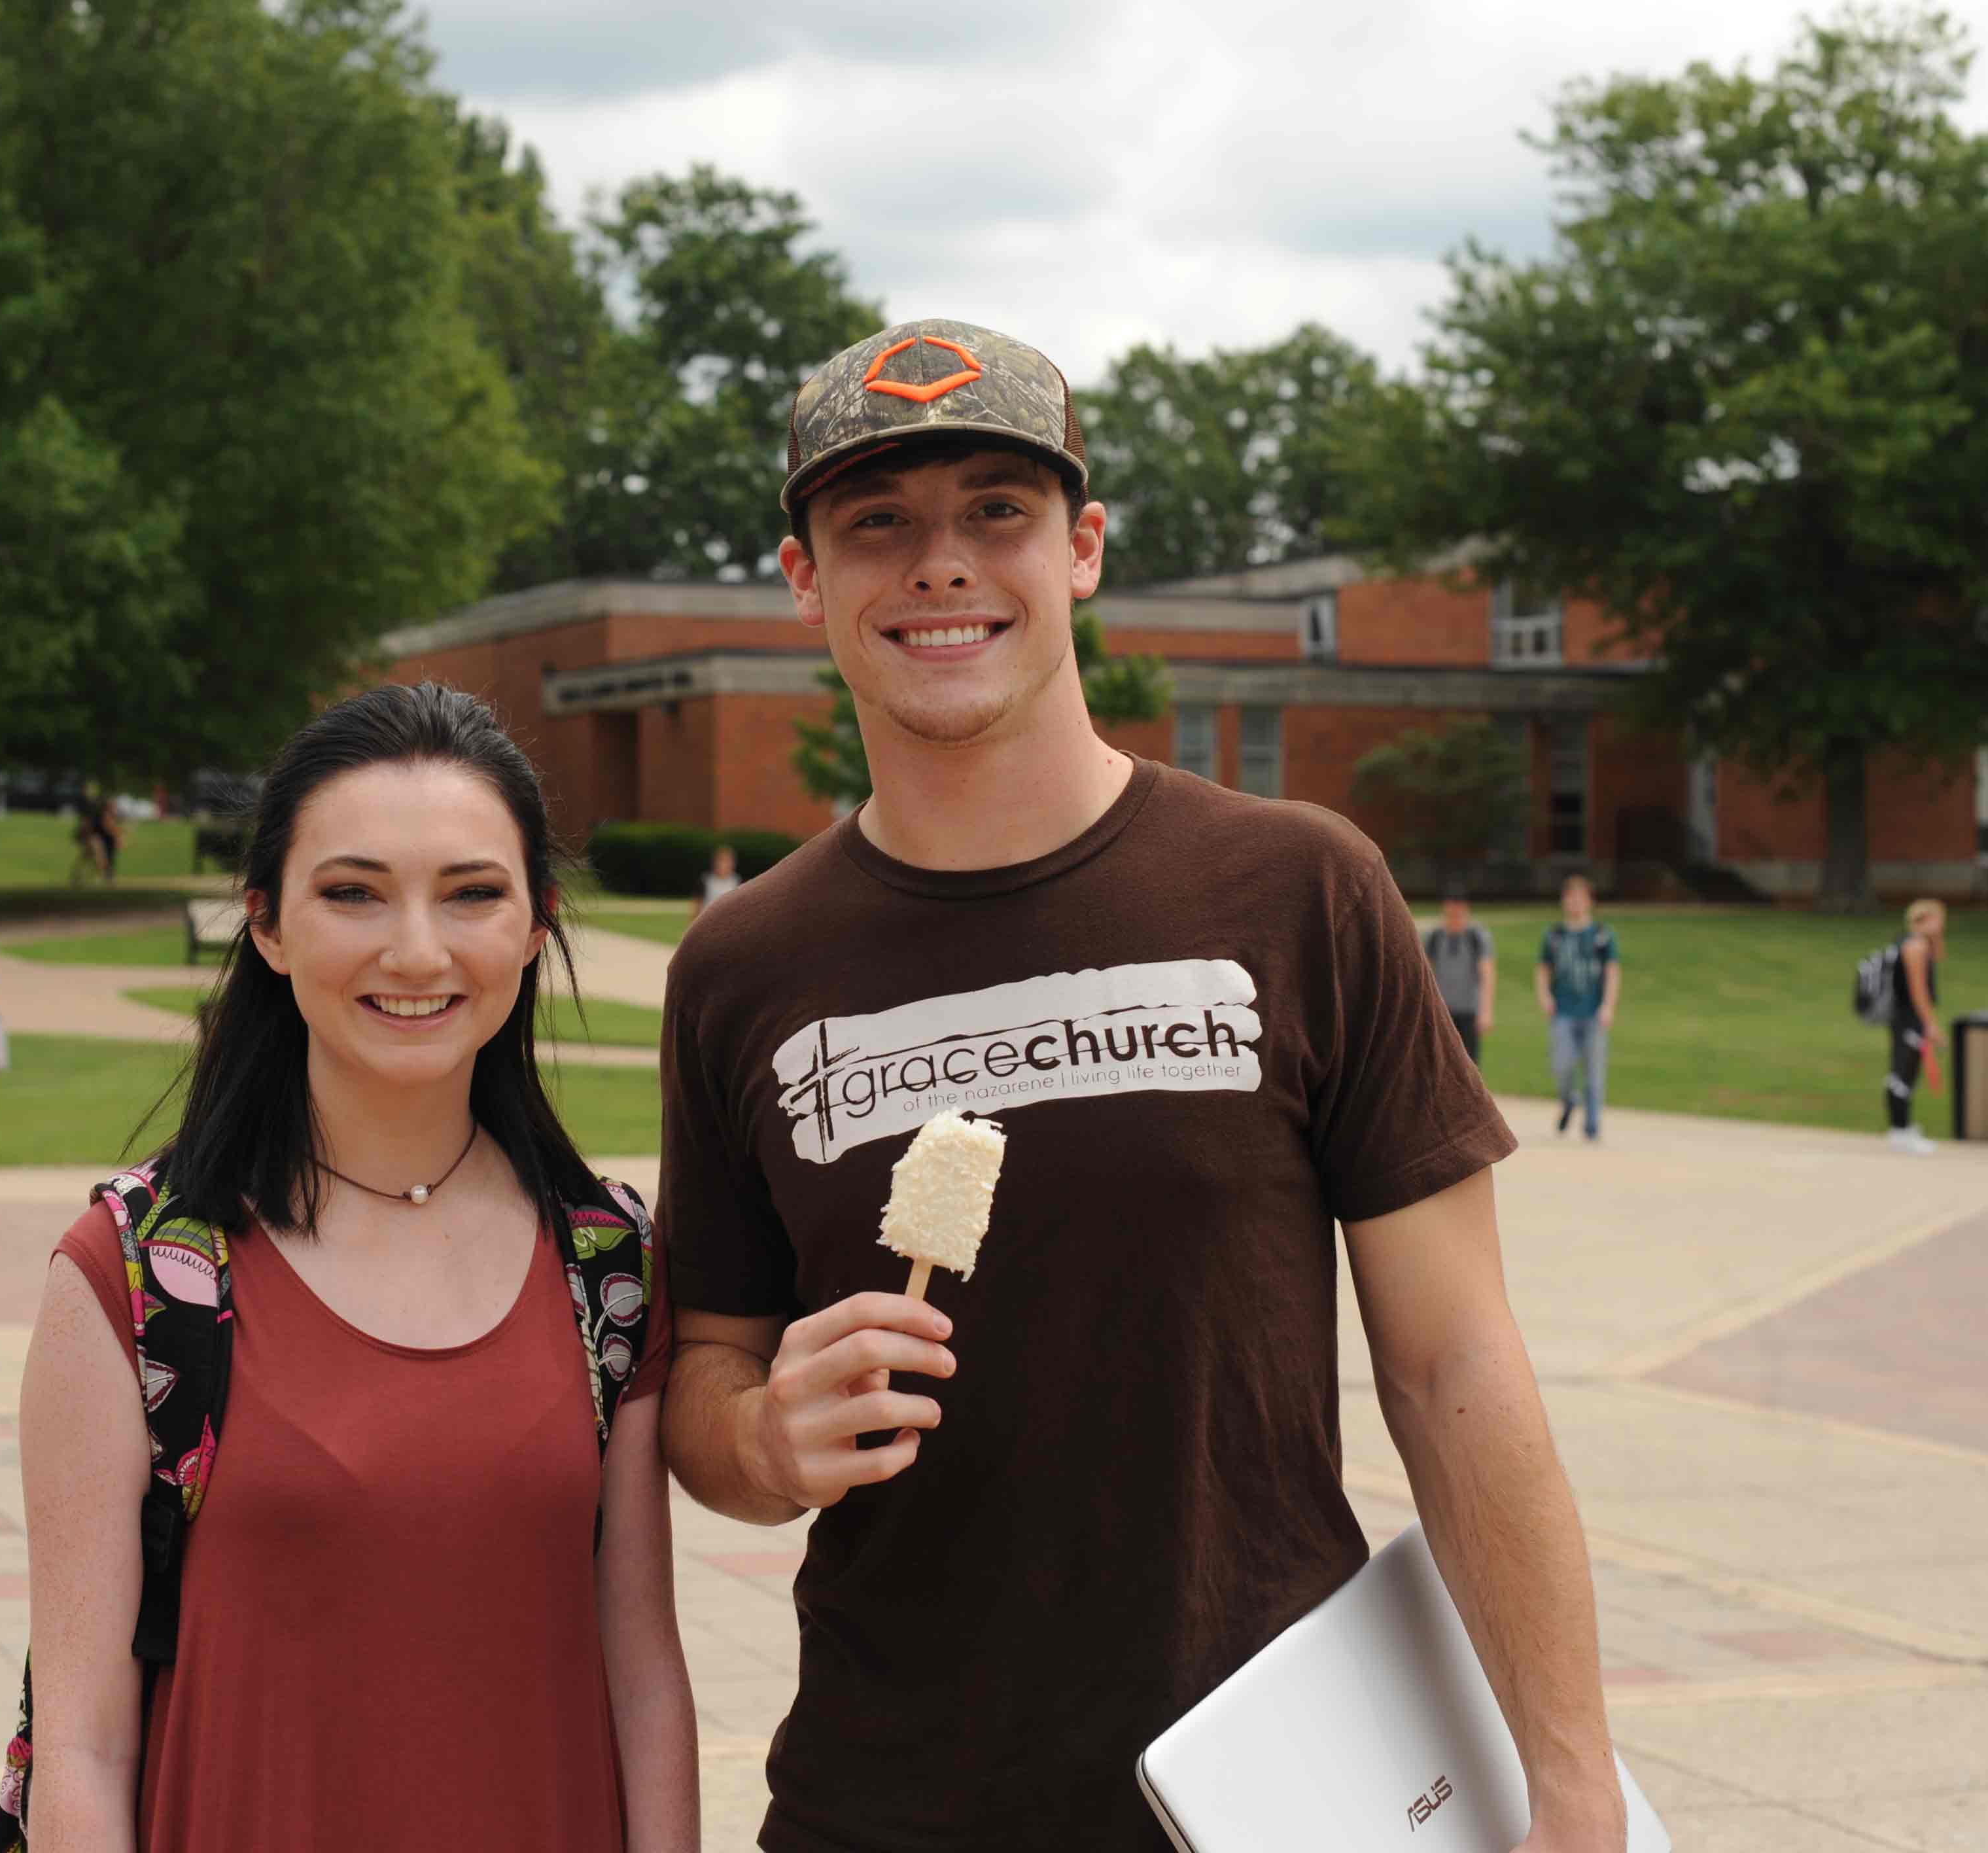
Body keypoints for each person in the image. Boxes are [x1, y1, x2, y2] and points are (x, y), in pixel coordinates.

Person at [659, 320, 1624, 1853]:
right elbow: (704, 1374)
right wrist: (764, 1444)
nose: (941, 563)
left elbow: (1455, 1365)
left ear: (1082, 547)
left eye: (997, 510)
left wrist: (1570, 1782)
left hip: (1279, 1785)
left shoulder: (1298, 887)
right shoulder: (746, 967)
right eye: (878, 524)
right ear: (804, 580)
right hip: (886, 1802)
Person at [15, 684, 696, 1850]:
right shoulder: (137, 1276)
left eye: (473, 893)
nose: (417, 949)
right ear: (268, 925)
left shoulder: (609, 1266)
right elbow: (82, 1738)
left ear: (536, 926)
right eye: (353, 894)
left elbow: (642, 1679)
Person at [1536, 873, 1620, 1140]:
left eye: (1580, 898)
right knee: (1562, 1065)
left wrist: (1608, 1005)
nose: (1575, 903)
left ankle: (1592, 1123)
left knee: (1594, 1070)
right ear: (1564, 901)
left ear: (1590, 902)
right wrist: (1545, 997)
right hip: (1563, 1011)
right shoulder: (1554, 936)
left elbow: (1612, 972)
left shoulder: (1602, 936)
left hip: (1593, 1011)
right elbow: (1542, 970)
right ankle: (1569, 1098)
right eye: (1570, 897)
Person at [1884, 899, 1945, 1154]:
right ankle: (1900, 1130)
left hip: (1907, 1017)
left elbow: (1940, 956)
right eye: (1938, 919)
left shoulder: (1918, 944)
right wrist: (1930, 1024)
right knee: (1903, 1072)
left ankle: (1903, 1128)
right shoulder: (1915, 947)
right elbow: (1918, 990)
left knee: (1908, 1071)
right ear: (1925, 920)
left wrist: (1936, 938)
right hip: (1909, 1017)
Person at [1423, 888, 1497, 1064]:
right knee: (1439, 1063)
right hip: (1442, 1011)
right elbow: (1427, 976)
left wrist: (1486, 1011)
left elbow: (1487, 974)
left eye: (1459, 907)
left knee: (1469, 1065)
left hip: (1469, 1010)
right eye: (1451, 907)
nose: (1455, 912)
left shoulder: (1477, 937)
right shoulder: (1435, 937)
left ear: (1466, 908)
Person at [694, 842, 742, 918]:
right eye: (721, 861)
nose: (724, 865)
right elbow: (697, 906)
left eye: (727, 861)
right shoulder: (705, 880)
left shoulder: (738, 881)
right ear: (715, 862)